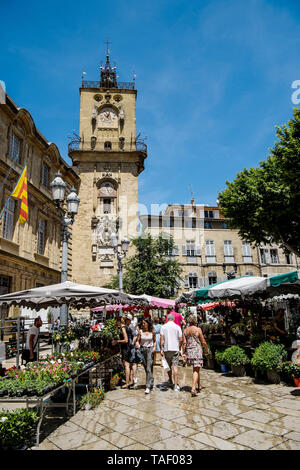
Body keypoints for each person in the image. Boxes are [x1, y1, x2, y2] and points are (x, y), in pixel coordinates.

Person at [182, 315, 210, 396]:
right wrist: (207, 349)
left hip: (189, 350)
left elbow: (184, 343)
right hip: (197, 351)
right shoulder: (198, 329)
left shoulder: (185, 330)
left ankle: (199, 385)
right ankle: (193, 388)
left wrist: (183, 352)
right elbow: (203, 341)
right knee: (196, 370)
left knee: (196, 369)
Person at [160, 313, 182, 391]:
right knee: (175, 366)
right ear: (173, 319)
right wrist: (179, 347)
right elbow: (181, 339)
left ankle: (170, 379)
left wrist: (161, 349)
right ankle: (175, 385)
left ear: (167, 319)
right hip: (175, 349)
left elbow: (161, 340)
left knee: (168, 366)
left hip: (166, 349)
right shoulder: (177, 327)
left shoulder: (163, 327)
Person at [112, 316, 133, 389]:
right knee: (128, 365)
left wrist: (117, 341)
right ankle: (130, 381)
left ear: (119, 321)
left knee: (126, 366)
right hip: (127, 348)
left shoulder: (123, 328)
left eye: (116, 322)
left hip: (125, 348)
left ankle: (127, 383)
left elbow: (126, 340)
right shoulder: (125, 327)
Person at [137, 318, 156, 394]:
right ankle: (151, 379)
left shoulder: (152, 332)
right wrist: (137, 345)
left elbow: (154, 341)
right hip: (142, 350)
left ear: (148, 324)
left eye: (144, 323)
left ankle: (147, 386)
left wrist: (154, 347)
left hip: (150, 349)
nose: (143, 324)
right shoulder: (140, 332)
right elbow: (138, 341)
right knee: (146, 367)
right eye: (142, 323)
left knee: (148, 368)